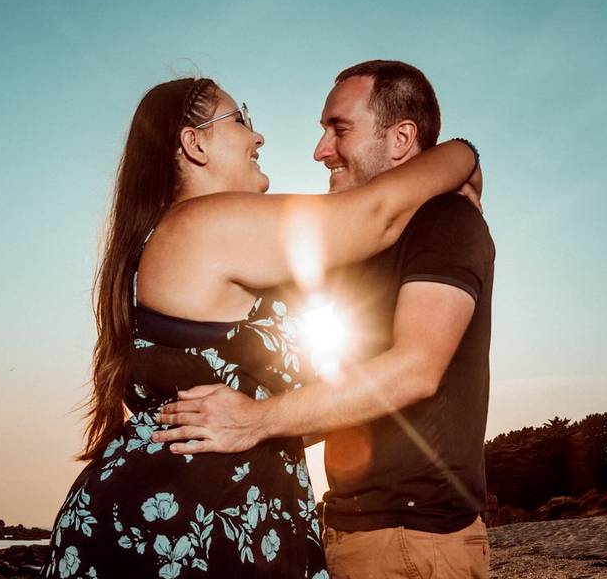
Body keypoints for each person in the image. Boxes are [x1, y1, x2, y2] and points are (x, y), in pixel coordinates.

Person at [39, 76, 480, 578]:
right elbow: (376, 213)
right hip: (177, 532)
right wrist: (464, 154)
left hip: (217, 518)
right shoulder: (203, 224)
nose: (258, 136)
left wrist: (264, 418)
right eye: (240, 118)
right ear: (195, 142)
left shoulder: (206, 239)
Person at [156, 61, 495, 578]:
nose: (319, 150)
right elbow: (342, 393)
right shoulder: (353, 244)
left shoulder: (444, 219)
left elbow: (417, 368)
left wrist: (256, 420)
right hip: (349, 531)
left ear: (402, 138)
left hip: (410, 538)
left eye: (338, 129)